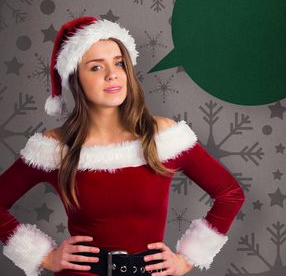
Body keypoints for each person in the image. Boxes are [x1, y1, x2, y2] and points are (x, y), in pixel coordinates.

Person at [0, 16, 246, 276]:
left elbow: (230, 194)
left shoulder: (163, 137)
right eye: (96, 67)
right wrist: (45, 256)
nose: (112, 74)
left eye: (119, 63)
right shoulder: (55, 148)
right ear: (74, 77)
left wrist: (186, 259)